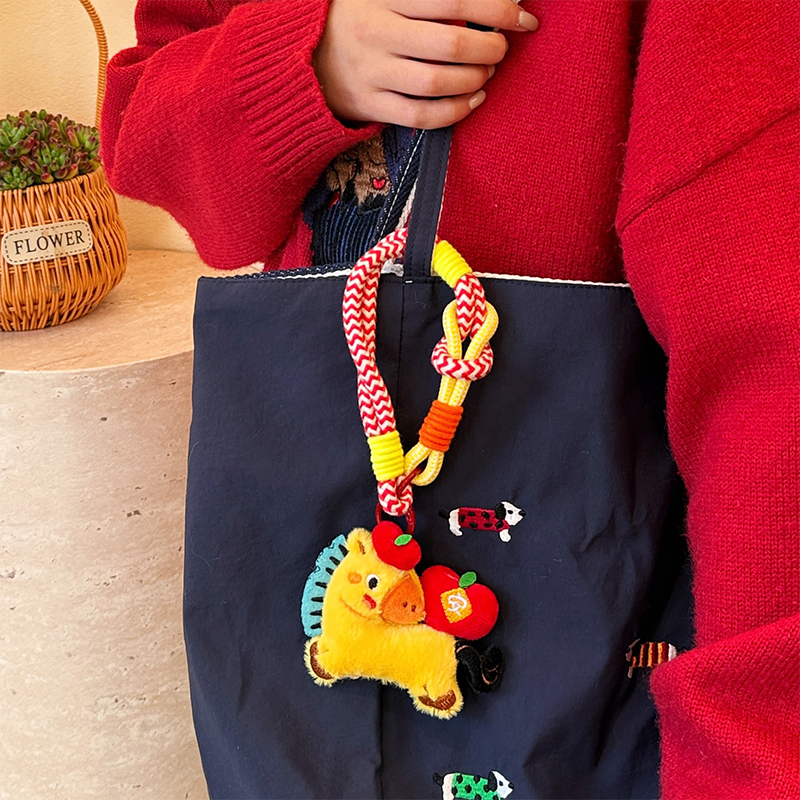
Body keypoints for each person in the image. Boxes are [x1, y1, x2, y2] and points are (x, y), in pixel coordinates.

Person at [100, 1, 799, 797]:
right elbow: (144, 135)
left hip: (594, 580)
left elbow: (771, 365)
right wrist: (306, 65)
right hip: (319, 498)